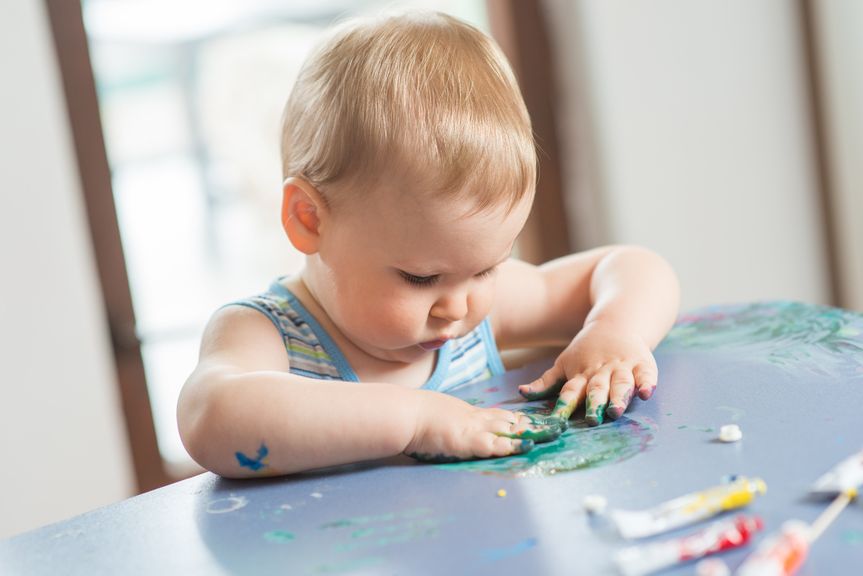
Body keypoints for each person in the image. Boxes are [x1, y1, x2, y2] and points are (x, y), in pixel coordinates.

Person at [177, 11, 680, 478]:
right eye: (421, 278)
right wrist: (417, 420)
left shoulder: (477, 315)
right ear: (309, 219)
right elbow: (211, 415)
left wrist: (615, 331)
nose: (459, 306)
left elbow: (633, 266)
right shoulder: (268, 334)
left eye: (487, 269)